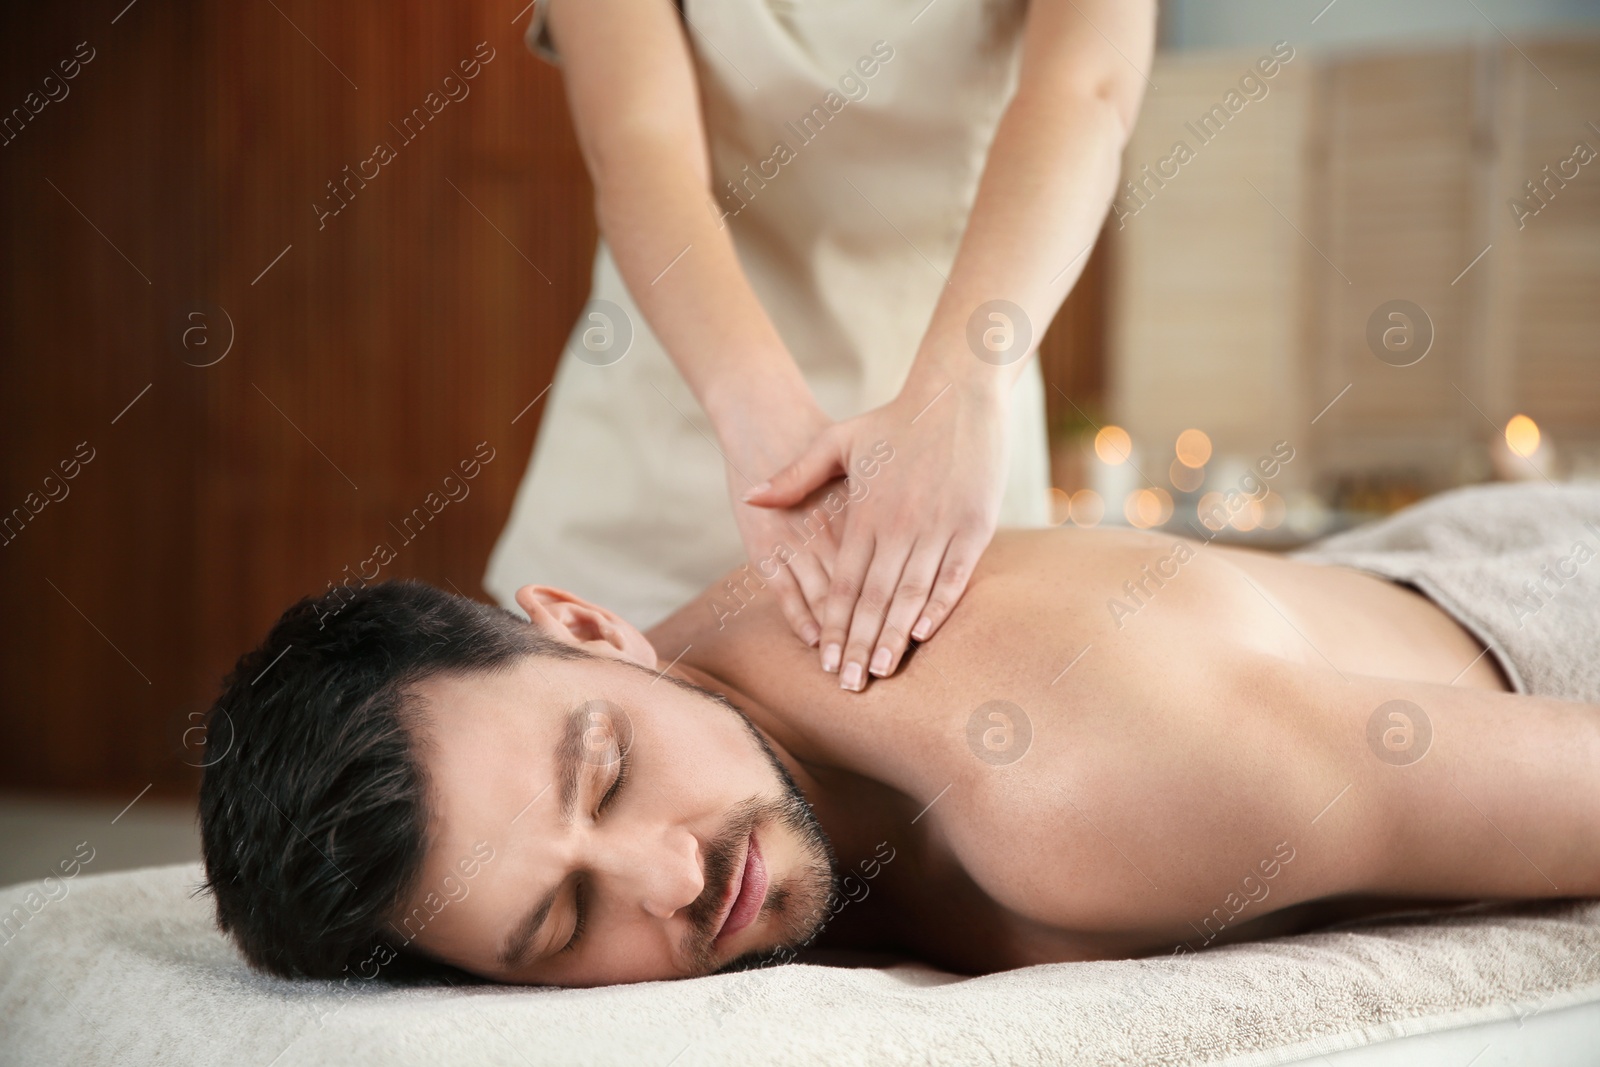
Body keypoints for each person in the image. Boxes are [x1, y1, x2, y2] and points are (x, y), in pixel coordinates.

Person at [198, 482, 1600, 985]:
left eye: (610, 768)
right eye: (564, 918)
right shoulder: (694, 708)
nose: (672, 879)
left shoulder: (1066, 784)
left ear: (586, 619)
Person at [485, 0, 1155, 691]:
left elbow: (1086, 90)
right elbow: (636, 138)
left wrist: (963, 384)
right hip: (671, 448)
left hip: (943, 464)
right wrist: (754, 412)